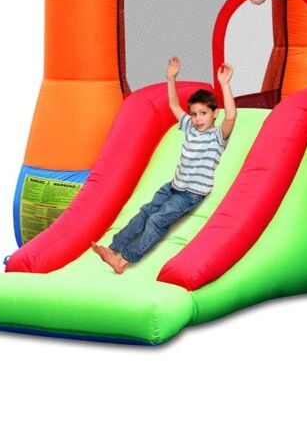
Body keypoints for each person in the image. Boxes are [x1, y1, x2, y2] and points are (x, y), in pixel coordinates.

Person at [91, 56, 236, 274]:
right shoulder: (190, 127)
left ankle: (124, 260)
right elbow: (173, 105)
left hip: (190, 194)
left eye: (204, 114)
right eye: (194, 114)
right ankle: (114, 248)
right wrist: (171, 78)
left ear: (215, 113)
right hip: (173, 186)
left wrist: (224, 84)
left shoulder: (217, 137)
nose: (198, 119)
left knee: (156, 220)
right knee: (144, 213)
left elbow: (231, 116)